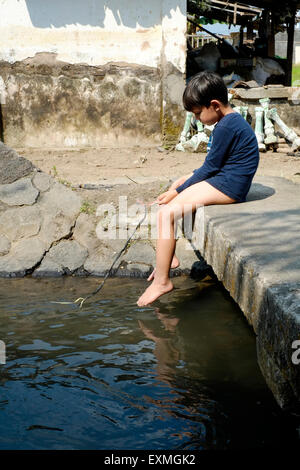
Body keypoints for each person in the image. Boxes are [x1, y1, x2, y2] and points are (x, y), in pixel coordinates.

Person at [137, 71, 259, 307]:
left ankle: (162, 281)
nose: (196, 119)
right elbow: (211, 166)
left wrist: (177, 191)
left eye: (197, 113)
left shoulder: (226, 127)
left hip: (230, 186)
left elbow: (209, 169)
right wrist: (179, 185)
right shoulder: (229, 121)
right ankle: (168, 256)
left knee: (166, 212)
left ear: (213, 105)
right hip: (225, 177)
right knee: (176, 187)